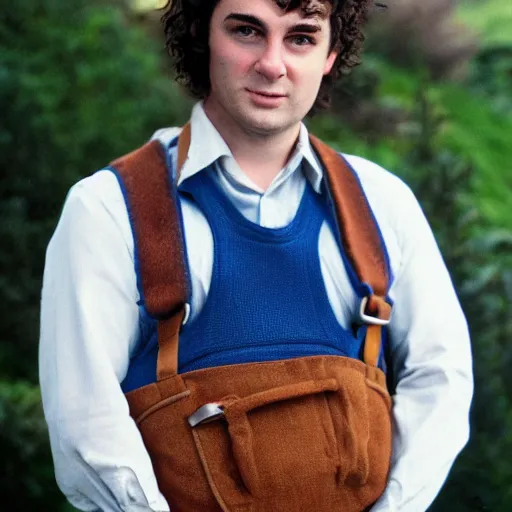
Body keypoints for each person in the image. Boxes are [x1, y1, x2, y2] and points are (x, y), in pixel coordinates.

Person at [39, 0, 473, 510]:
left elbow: (442, 381)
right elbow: (84, 421)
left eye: (301, 38)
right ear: (204, 35)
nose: (272, 64)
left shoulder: (382, 202)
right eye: (247, 31)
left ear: (330, 53)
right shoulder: (108, 209)